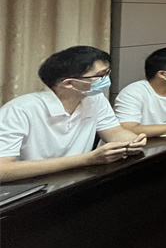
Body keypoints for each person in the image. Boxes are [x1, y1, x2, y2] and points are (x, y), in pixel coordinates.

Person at [0, 46, 146, 182]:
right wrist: (87, 159)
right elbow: (3, 170)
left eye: (107, 73)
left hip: (74, 180)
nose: (106, 79)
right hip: (29, 187)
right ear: (69, 83)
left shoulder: (94, 98)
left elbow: (114, 131)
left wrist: (132, 141)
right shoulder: (20, 110)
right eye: (100, 75)